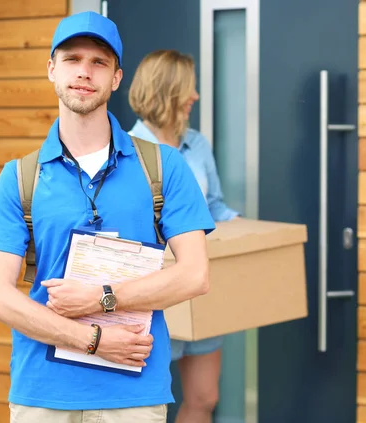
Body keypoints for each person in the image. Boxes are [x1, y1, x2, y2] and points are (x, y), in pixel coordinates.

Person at [0, 12, 215, 423]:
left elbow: (195, 274)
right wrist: (94, 339)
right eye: (72, 60)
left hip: (135, 395)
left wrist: (102, 297)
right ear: (52, 69)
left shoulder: (163, 167)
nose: (84, 72)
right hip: (43, 396)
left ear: (117, 78)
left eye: (99, 62)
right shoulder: (19, 177)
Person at [128, 50, 239, 423]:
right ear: (167, 92)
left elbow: (216, 208)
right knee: (144, 406)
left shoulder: (198, 145)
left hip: (198, 288)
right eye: (189, 89)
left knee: (204, 397)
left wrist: (253, 235)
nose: (195, 97)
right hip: (151, 291)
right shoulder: (126, 151)